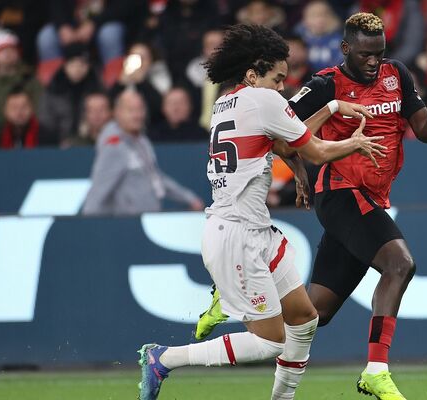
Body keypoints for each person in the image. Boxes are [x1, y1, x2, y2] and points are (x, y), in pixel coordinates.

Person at [136, 24, 387, 400]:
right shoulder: (263, 101)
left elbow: (290, 139)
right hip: (238, 235)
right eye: (277, 79)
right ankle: (164, 358)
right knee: (271, 342)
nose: (283, 88)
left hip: (254, 231)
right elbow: (312, 150)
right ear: (253, 74)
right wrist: (354, 143)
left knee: (304, 319)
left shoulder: (228, 102)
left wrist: (333, 106)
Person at [286, 12, 427, 399]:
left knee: (313, 315)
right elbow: (281, 130)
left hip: (369, 198)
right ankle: (376, 370)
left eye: (379, 54)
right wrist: (299, 170)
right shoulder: (325, 85)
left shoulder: (396, 74)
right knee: (400, 264)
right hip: (340, 192)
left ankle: (189, 348)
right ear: (346, 48)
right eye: (366, 54)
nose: (373, 62)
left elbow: (422, 130)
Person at [81, 89, 204, 215]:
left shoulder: (141, 140)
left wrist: (189, 198)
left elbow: (154, 176)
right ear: (117, 113)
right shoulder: (114, 144)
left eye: (140, 109)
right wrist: (88, 223)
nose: (137, 115)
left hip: (146, 219)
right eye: (131, 110)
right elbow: (99, 188)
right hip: (126, 223)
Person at [0, 30, 42, 132]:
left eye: (12, 49)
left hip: (23, 132)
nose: (8, 54)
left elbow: (39, 112)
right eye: (2, 50)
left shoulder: (30, 79)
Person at [38, 43, 103, 146]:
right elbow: (46, 122)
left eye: (82, 64)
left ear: (89, 66)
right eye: (73, 64)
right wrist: (58, 141)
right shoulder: (53, 89)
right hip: (57, 146)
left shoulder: (97, 88)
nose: (77, 69)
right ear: (65, 65)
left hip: (91, 143)